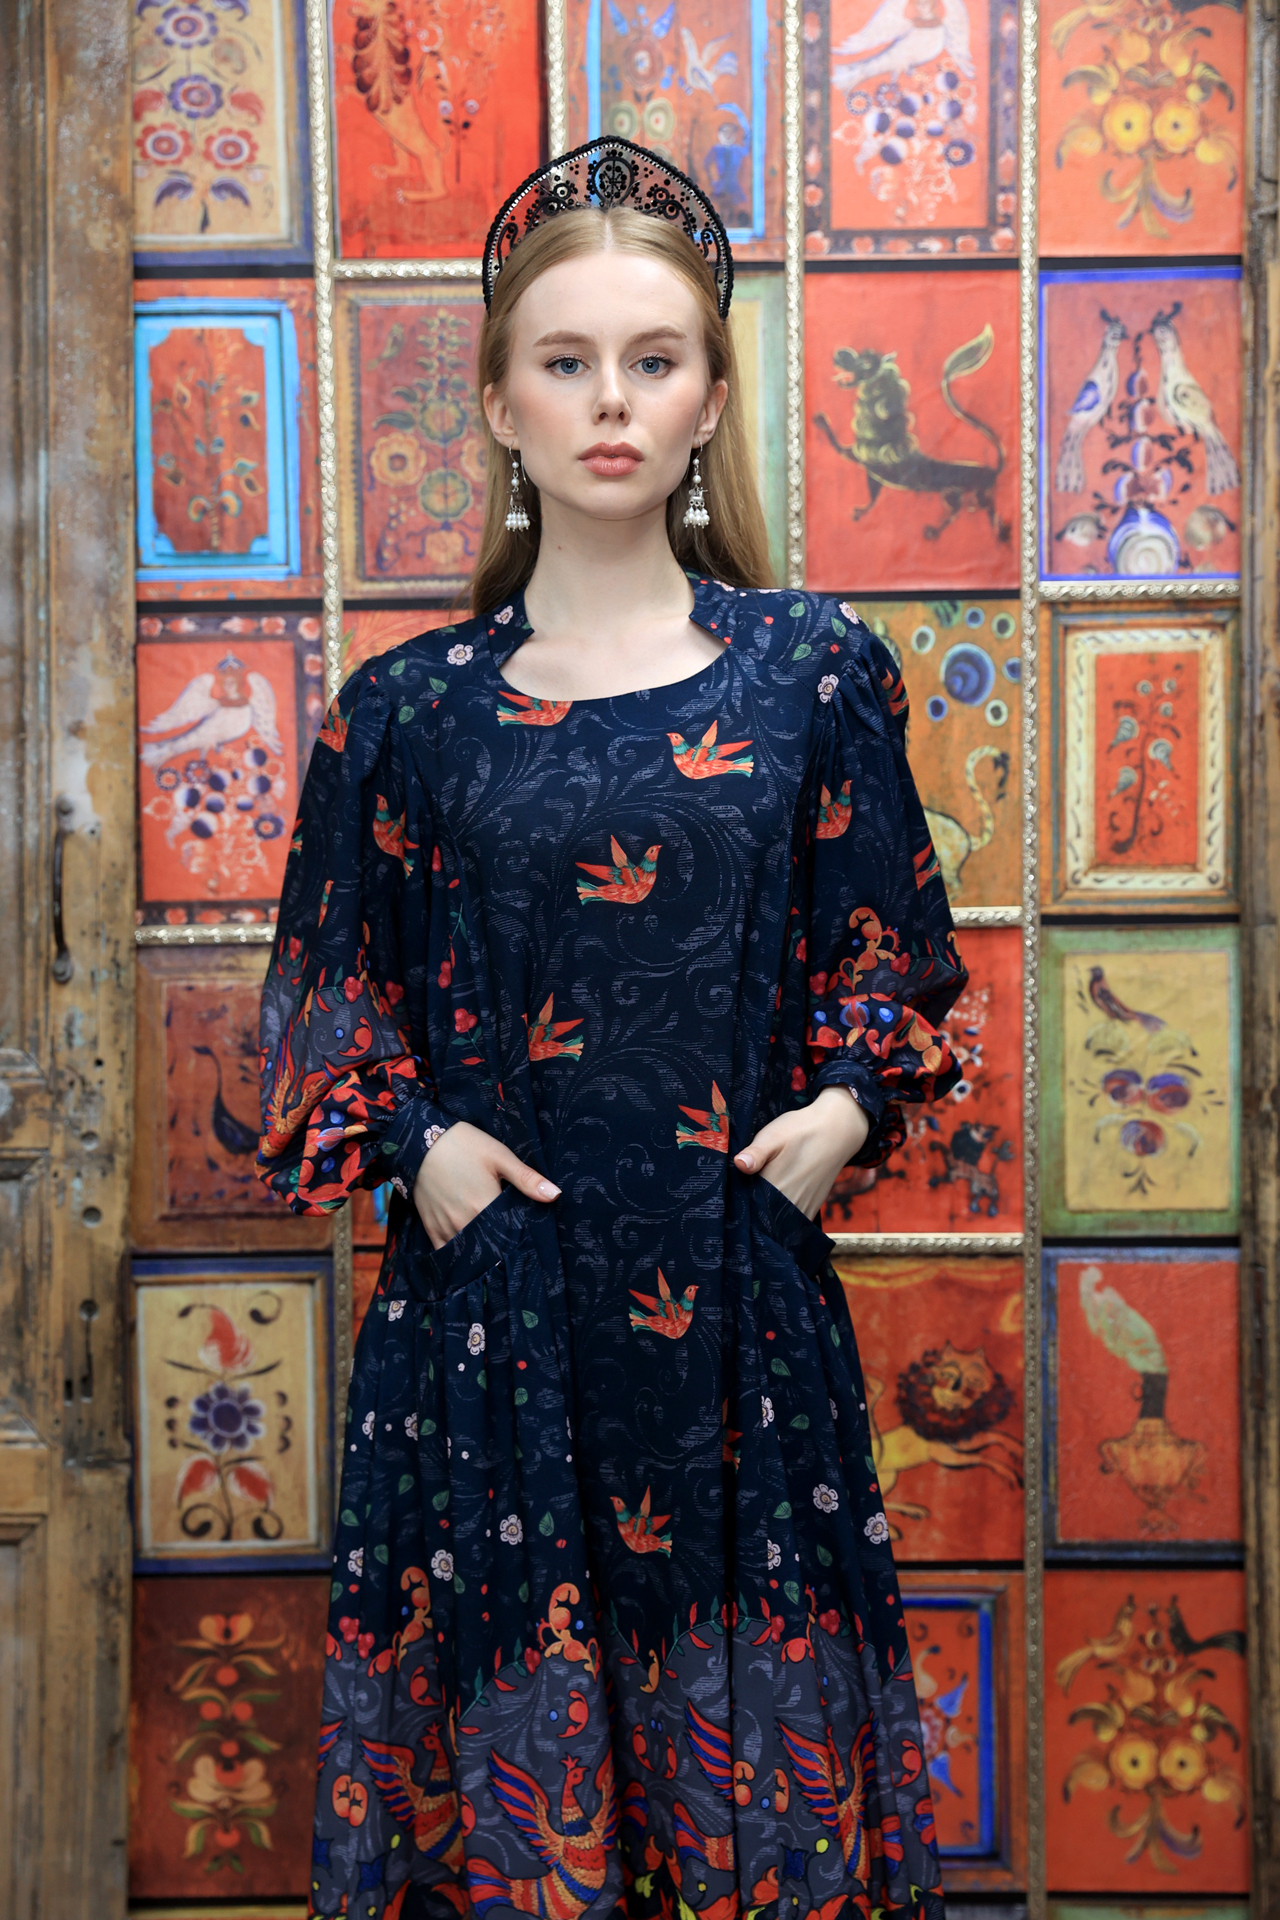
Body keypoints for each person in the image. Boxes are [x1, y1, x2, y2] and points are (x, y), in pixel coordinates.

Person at [258, 139, 964, 1920]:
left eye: (654, 360)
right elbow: (325, 1005)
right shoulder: (404, 712)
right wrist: (418, 1147)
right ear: (500, 402)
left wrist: (845, 1110)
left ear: (712, 396)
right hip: (494, 1321)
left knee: (755, 1783)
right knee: (518, 1793)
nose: (610, 401)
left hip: (737, 1303)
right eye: (565, 361)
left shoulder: (813, 671)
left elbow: (895, 956)